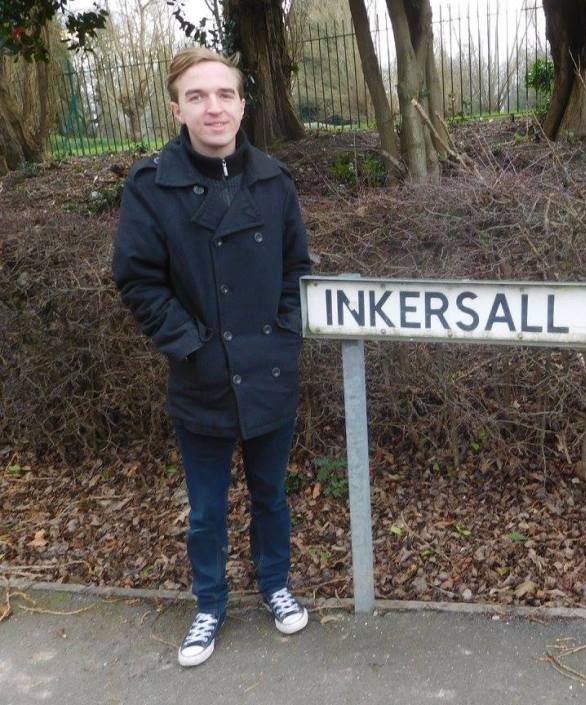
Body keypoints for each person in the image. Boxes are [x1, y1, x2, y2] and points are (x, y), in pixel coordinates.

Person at [112, 47, 312, 667]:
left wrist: (284, 335)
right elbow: (139, 279)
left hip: (269, 374)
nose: (213, 107)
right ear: (177, 109)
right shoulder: (151, 186)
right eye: (197, 96)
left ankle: (274, 584)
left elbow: (297, 272)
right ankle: (210, 603)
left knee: (271, 495)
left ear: (242, 105)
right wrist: (192, 347)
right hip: (201, 378)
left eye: (224, 94)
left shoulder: (274, 181)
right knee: (205, 509)